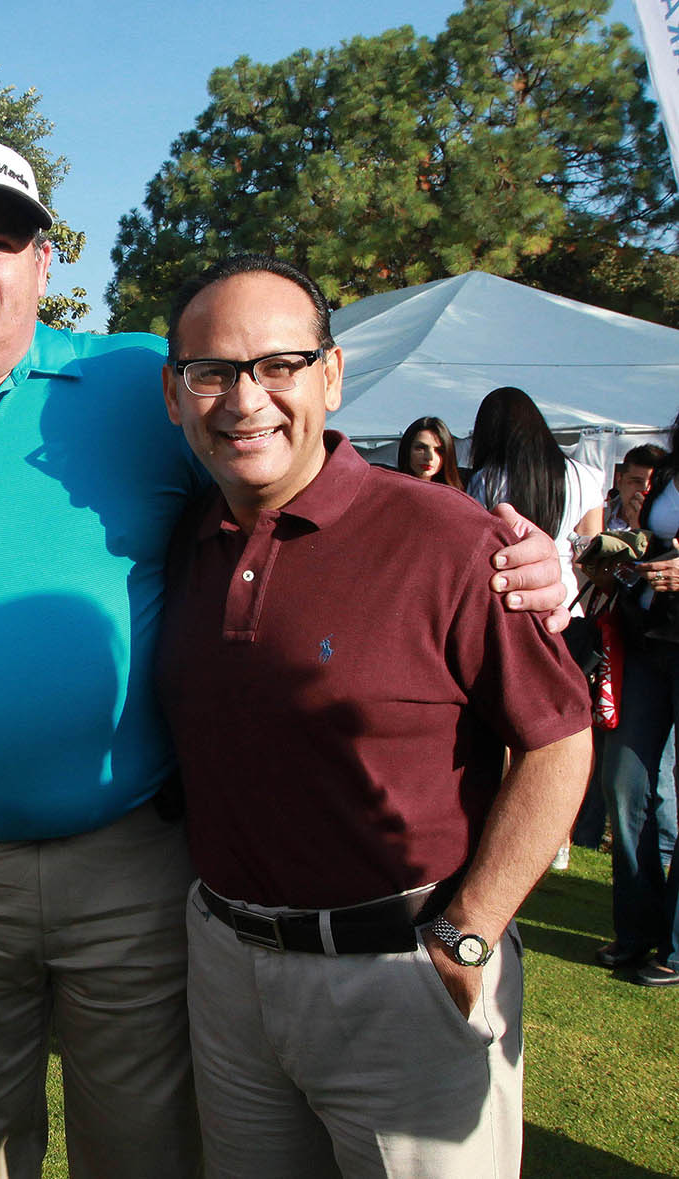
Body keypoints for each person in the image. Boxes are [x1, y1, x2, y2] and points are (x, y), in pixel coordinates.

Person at [0, 135, 570, 1178]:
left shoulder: (135, 380)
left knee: (145, 1149)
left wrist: (514, 560)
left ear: (41, 265)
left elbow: (291, 473)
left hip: (136, 862)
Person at [157, 254, 592, 1177]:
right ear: (174, 393)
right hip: (227, 968)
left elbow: (557, 742)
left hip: (404, 975)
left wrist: (468, 933)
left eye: (280, 365)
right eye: (213, 372)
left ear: (332, 375)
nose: (246, 399)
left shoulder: (452, 538)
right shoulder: (180, 539)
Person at [595, 418, 679, 985]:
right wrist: (620, 561)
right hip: (648, 641)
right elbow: (651, 542)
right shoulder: (668, 473)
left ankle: (675, 947)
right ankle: (637, 931)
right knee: (624, 785)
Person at [466, 385, 605, 610]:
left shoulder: (486, 480)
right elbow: (589, 554)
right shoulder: (585, 477)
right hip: (565, 599)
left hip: (511, 598)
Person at [606, 444, 667, 531]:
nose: (645, 489)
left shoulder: (671, 526)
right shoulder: (597, 510)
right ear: (619, 480)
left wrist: (640, 528)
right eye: (637, 481)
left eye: (654, 483)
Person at [395, 415, 463, 489]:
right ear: (407, 450)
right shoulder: (390, 491)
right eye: (421, 448)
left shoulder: (454, 495)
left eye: (439, 450)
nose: (429, 457)